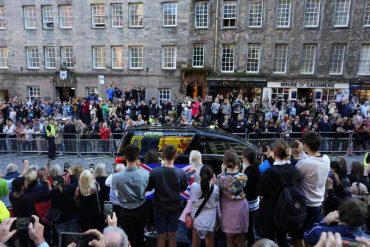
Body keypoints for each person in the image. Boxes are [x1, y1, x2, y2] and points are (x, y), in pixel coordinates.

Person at [257, 140, 301, 247]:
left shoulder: (270, 172)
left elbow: (259, 191)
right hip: (286, 209)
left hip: (270, 209)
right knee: (282, 238)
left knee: (269, 239)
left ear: (273, 152)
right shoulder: (294, 169)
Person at [147, 144, 188, 247]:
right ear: (176, 155)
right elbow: (183, 188)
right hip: (174, 207)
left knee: (161, 235)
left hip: (159, 207)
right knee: (172, 235)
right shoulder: (181, 173)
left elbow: (149, 187)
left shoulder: (155, 172)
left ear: (163, 156)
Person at [295, 131, 331, 245]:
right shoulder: (326, 158)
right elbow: (312, 160)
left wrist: (297, 156)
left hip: (306, 206)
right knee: (312, 235)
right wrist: (302, 154)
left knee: (299, 236)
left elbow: (295, 176)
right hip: (319, 205)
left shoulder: (303, 163)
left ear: (306, 145)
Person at [113, 145, 149, 247]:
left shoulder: (116, 177)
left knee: (127, 238)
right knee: (139, 237)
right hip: (140, 208)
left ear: (125, 157)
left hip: (125, 210)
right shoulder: (145, 174)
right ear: (137, 158)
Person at [305, 198, 370, 246]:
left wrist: (325, 221)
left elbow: (307, 234)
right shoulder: (367, 240)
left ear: (339, 213)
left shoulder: (322, 233)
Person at [218, 150, 249, 247]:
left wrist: (222, 171)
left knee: (229, 240)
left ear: (224, 163)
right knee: (241, 240)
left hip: (227, 209)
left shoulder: (220, 177)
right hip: (241, 208)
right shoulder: (243, 177)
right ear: (237, 162)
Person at [190, 165, 220, 247]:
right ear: (212, 176)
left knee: (195, 244)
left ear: (200, 175)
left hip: (197, 218)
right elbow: (218, 206)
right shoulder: (216, 189)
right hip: (210, 220)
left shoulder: (194, 186)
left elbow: (191, 202)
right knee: (210, 244)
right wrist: (219, 219)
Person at [242, 149, 260, 247]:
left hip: (248, 203)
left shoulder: (248, 173)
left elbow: (244, 189)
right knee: (251, 227)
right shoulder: (256, 168)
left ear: (245, 158)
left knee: (248, 228)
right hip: (255, 202)